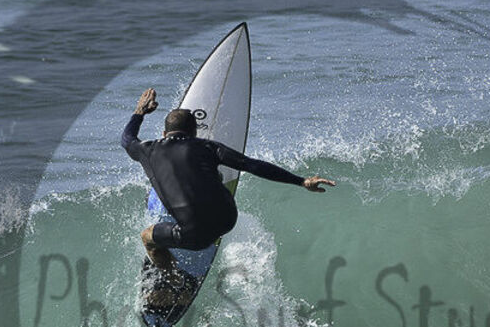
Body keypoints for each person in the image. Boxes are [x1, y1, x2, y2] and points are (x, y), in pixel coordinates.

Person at [122, 88, 335, 268]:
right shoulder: (208, 146)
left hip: (195, 234)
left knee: (147, 237)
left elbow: (127, 139)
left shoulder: (147, 150)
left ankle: (171, 277)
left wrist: (139, 112)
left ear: (163, 133)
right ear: (195, 132)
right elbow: (253, 165)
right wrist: (302, 181)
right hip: (226, 219)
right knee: (214, 171)